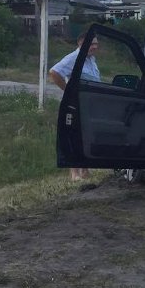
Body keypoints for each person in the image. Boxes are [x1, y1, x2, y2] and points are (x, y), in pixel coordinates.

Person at [49, 33, 101, 180]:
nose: (95, 47)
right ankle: (74, 172)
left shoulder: (91, 60)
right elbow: (54, 72)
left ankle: (84, 169)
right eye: (91, 44)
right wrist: (69, 92)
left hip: (88, 105)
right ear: (81, 44)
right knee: (74, 135)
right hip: (75, 104)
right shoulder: (73, 58)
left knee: (86, 136)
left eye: (96, 44)